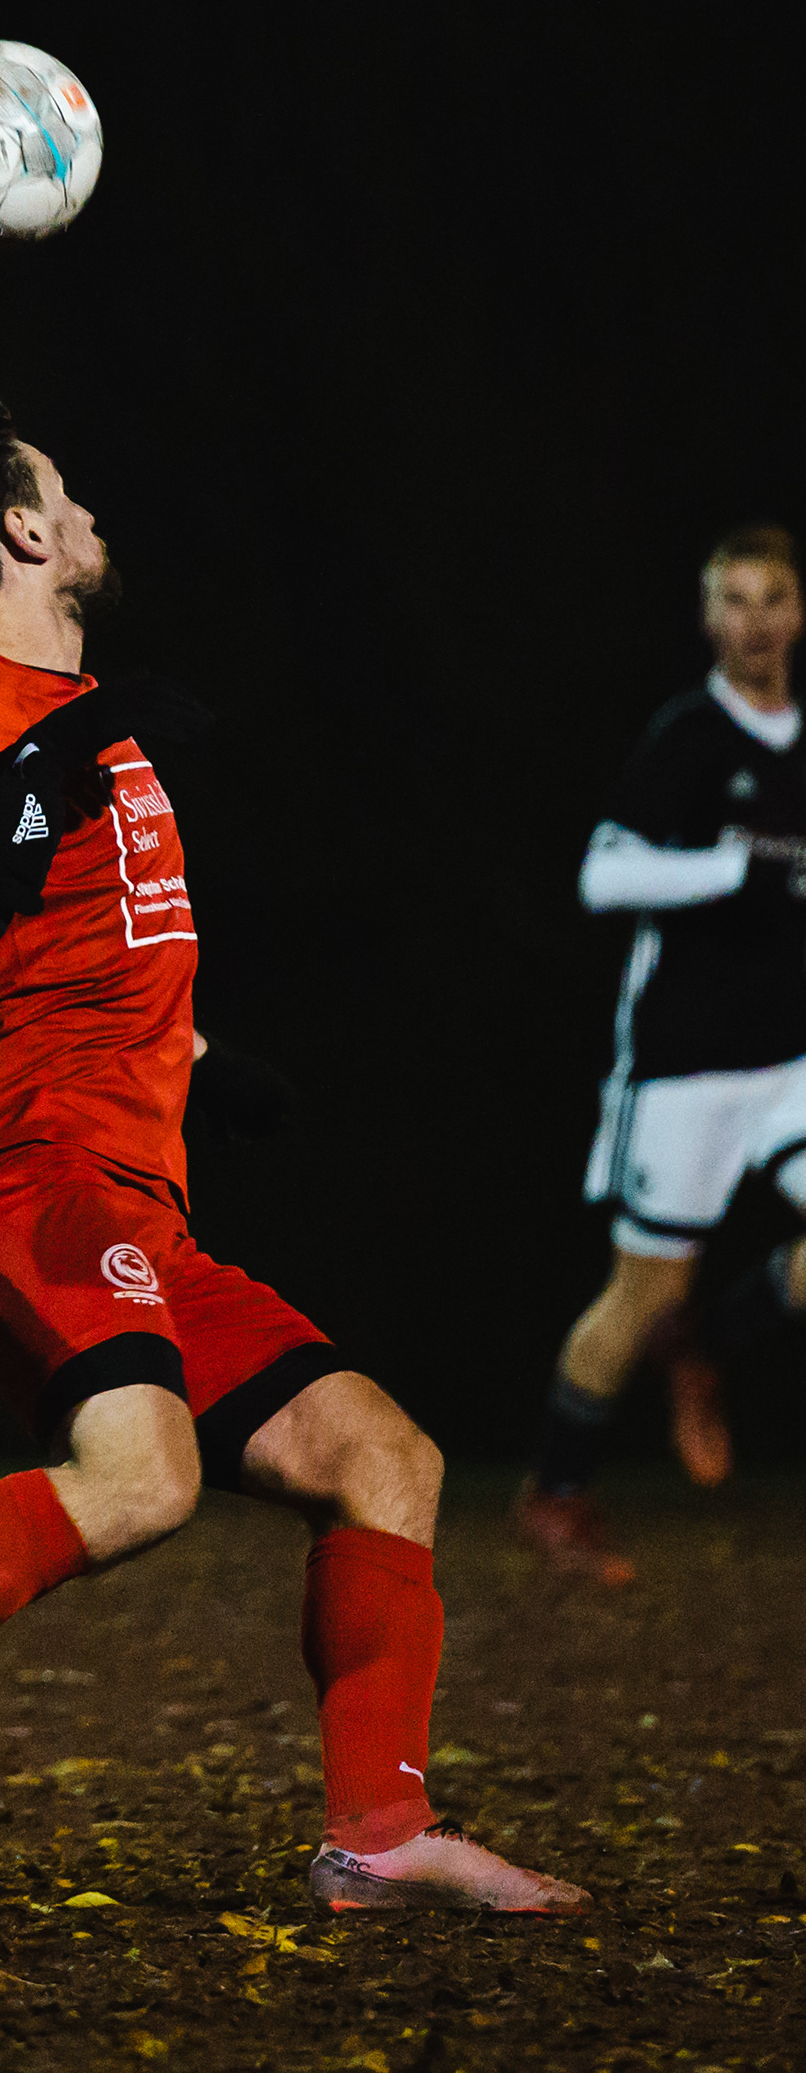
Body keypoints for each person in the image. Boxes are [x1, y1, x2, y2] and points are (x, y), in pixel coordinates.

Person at [0, 382, 587, 1916]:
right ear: (24, 531)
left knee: (382, 1460)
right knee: (141, 1475)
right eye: (65, 491)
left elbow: (72, 945)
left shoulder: (65, 711)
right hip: (16, 1169)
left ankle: (376, 1832)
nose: (91, 512)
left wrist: (203, 1062)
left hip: (127, 1187)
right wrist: (79, 740)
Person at [516, 526, 805, 1580]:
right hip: (684, 1067)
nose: (755, 620)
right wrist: (728, 868)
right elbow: (602, 877)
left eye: (773, 597)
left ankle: (713, 1345)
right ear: (708, 616)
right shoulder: (688, 737)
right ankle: (555, 1489)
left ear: (799, 613)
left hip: (792, 1063)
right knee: (639, 1296)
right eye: (735, 598)